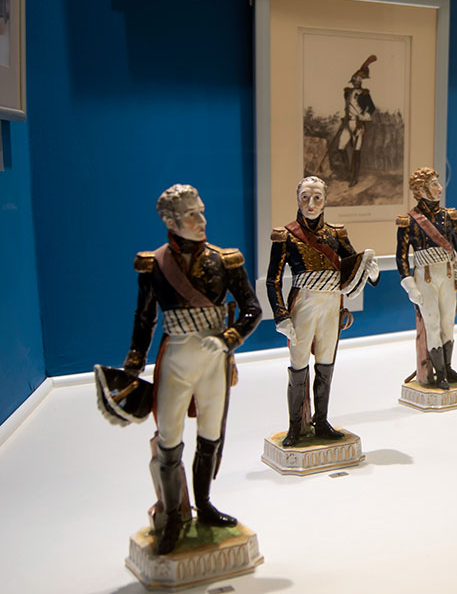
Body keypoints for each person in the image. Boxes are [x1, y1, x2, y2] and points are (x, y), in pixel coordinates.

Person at [123, 184, 262, 555]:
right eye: (192, 215)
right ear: (171, 222)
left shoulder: (226, 260)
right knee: (168, 439)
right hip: (175, 358)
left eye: (201, 211)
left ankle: (205, 504)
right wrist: (134, 361)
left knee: (210, 434)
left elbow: (252, 309)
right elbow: (144, 318)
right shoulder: (153, 265)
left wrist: (229, 338)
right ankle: (173, 516)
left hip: (214, 359)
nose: (202, 220)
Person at [267, 176, 379, 447]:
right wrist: (281, 315)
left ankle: (322, 421)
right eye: (305, 197)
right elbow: (273, 280)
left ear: (326, 200)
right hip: (302, 305)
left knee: (326, 364)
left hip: (330, 305)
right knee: (298, 365)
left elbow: (353, 263)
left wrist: (372, 272)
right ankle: (296, 426)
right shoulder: (285, 235)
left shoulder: (336, 233)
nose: (311, 203)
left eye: (317, 197)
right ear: (297, 199)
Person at [396, 167, 457, 389]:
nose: (439, 189)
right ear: (421, 190)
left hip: (447, 274)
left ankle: (448, 368)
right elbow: (401, 257)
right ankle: (440, 374)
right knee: (432, 323)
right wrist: (411, 287)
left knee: (448, 322)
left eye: (438, 183)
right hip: (425, 278)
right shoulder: (409, 221)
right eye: (434, 185)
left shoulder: (448, 216)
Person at [332, 55, 377, 187]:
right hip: (347, 123)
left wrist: (363, 117)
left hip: (358, 124)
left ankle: (354, 177)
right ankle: (348, 172)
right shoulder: (347, 92)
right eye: (356, 78)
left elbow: (372, 108)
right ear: (352, 79)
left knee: (356, 151)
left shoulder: (365, 94)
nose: (358, 80)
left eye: (360, 78)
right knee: (341, 147)